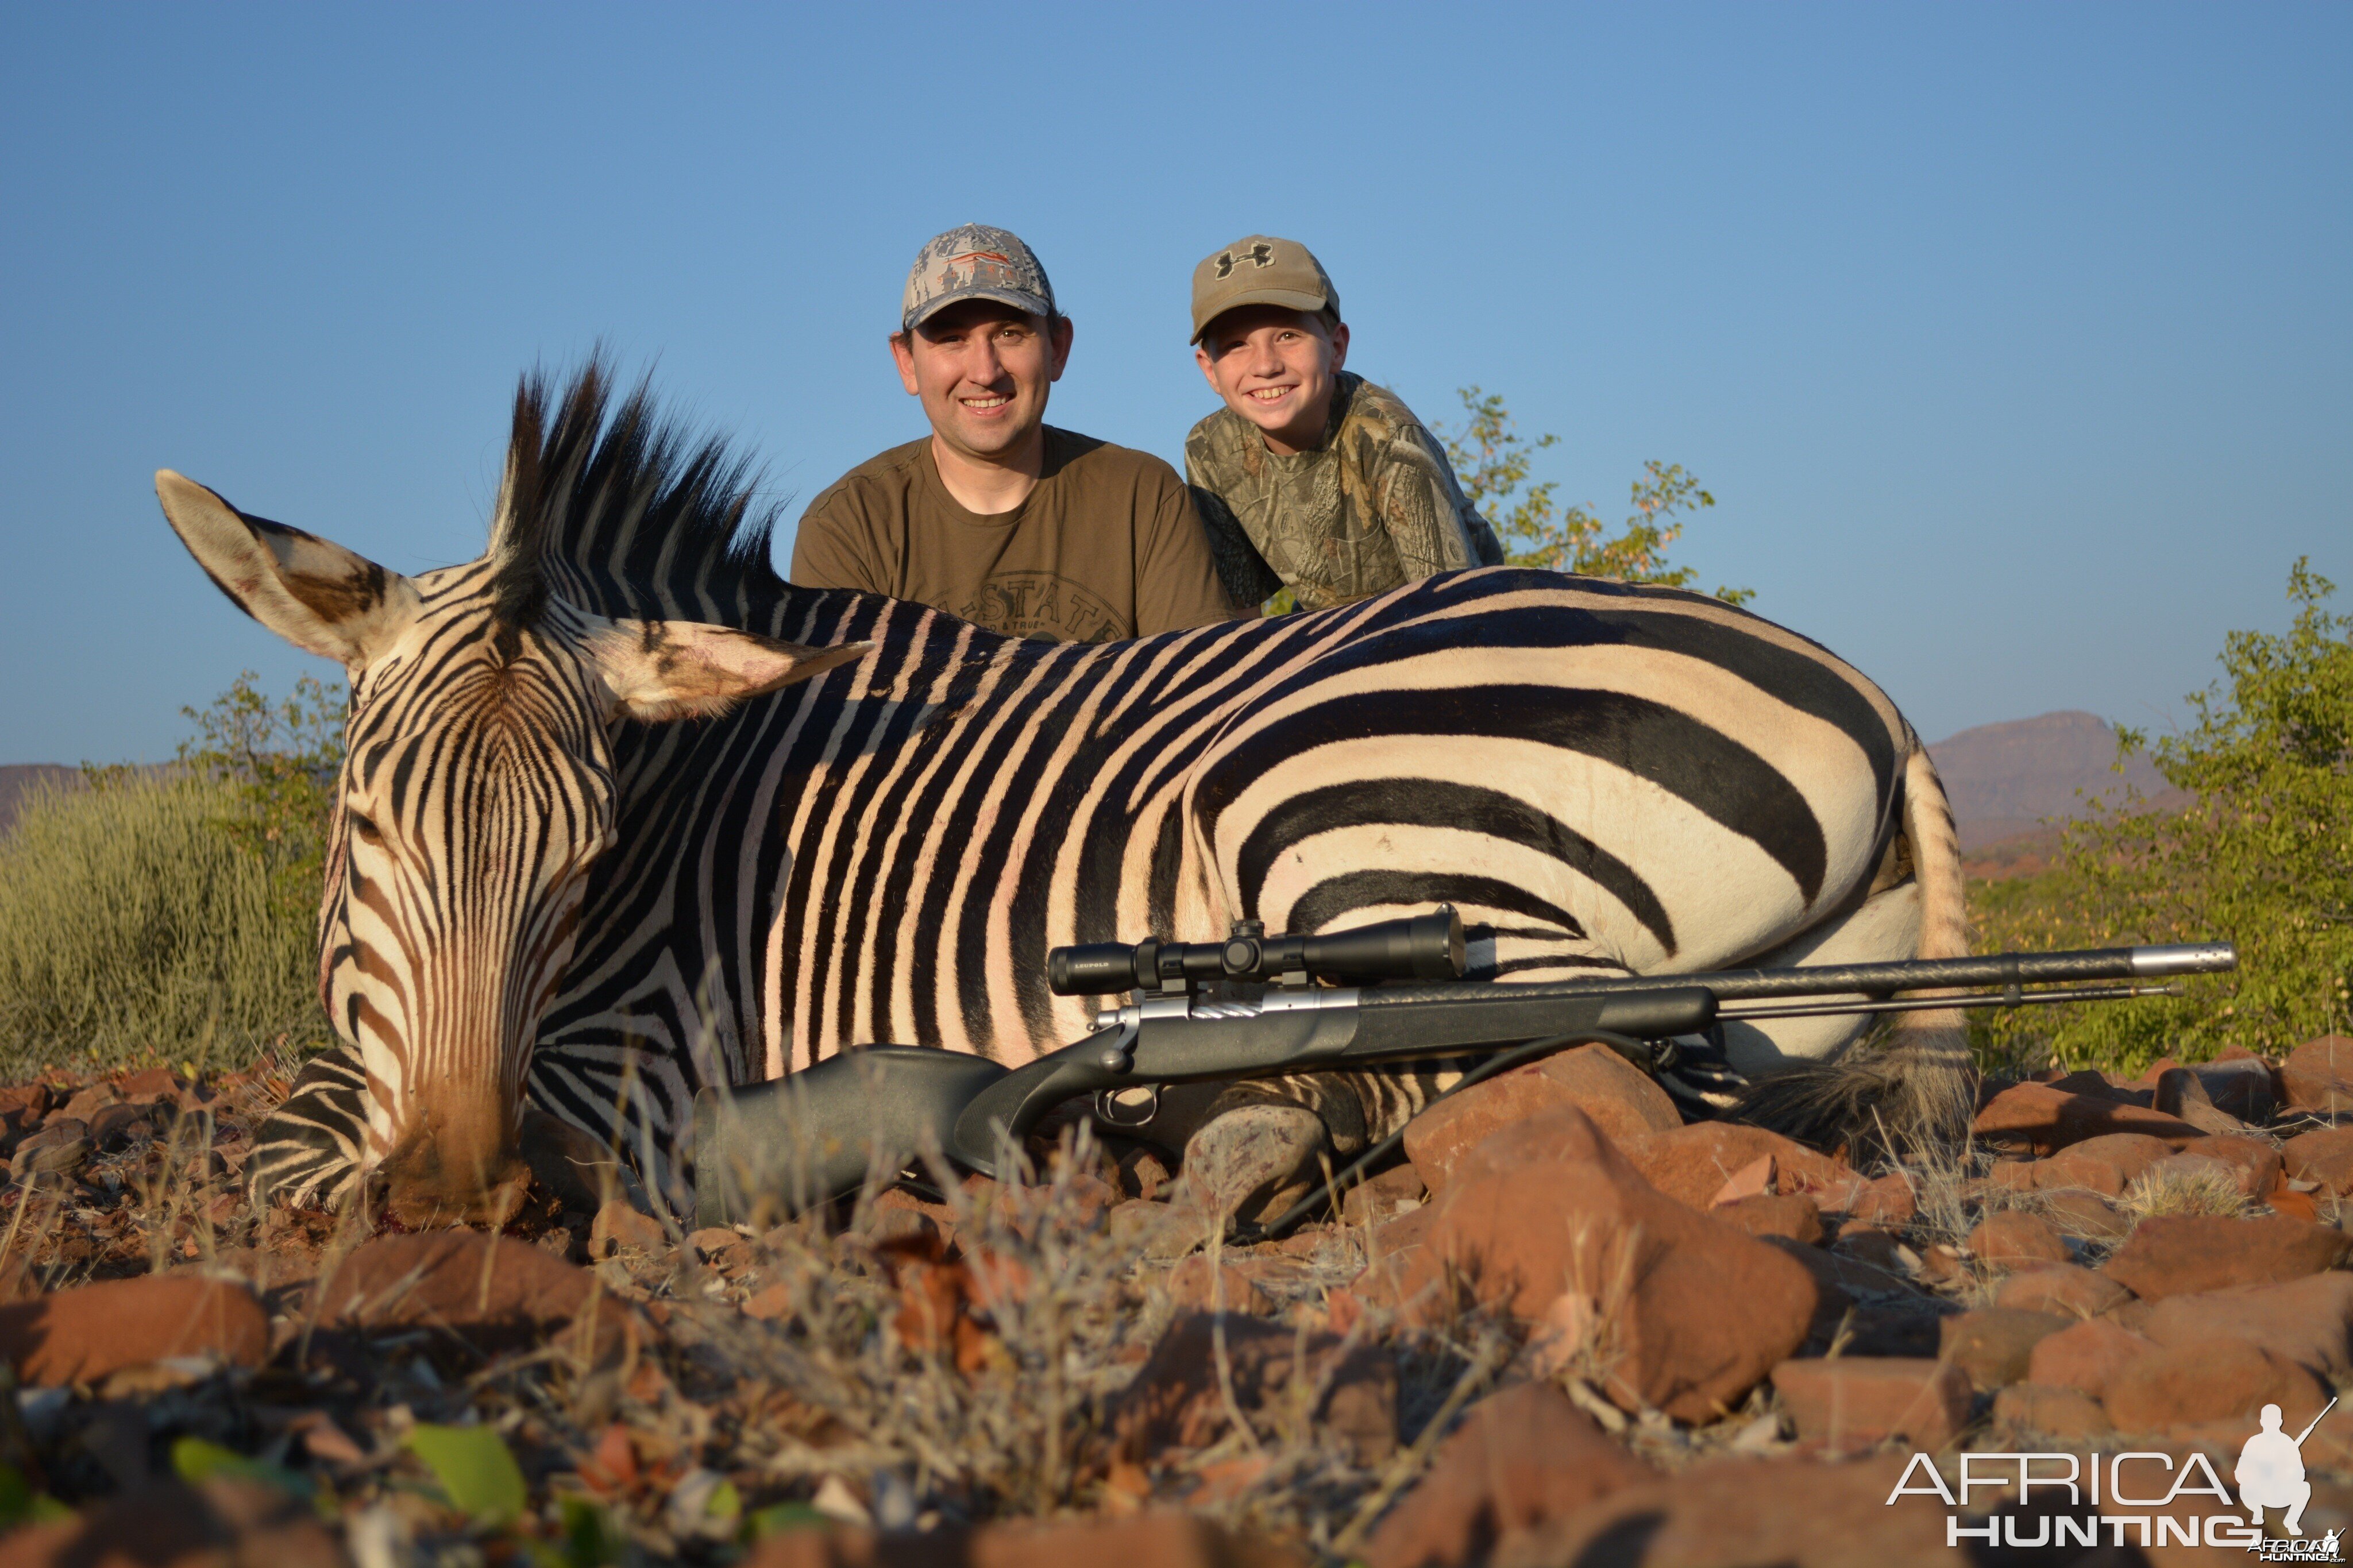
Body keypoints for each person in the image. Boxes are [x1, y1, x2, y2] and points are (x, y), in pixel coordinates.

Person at [791, 223, 1239, 643]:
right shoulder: (848, 527)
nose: (985, 372)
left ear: (1058, 348)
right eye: (951, 339)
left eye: (1010, 333)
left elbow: (1199, 700)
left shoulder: (1142, 496)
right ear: (907, 362)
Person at [1183, 234, 1505, 613]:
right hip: (1328, 637)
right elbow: (1239, 609)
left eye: (1288, 336)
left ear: (1336, 347)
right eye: (1237, 345)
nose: (1266, 365)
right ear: (1209, 370)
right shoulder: (1210, 449)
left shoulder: (1388, 438)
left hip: (1442, 622)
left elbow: (1452, 608)